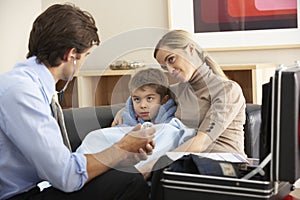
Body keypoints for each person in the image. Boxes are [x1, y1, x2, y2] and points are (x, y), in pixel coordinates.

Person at [0, 4, 155, 200]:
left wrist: (124, 156)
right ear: (71, 55)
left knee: (123, 173)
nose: (84, 63)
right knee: (129, 181)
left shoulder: (32, 86)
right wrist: (122, 148)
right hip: (18, 196)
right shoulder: (22, 92)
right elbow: (67, 176)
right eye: (86, 55)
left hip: (38, 186)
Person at [112, 30, 247, 199]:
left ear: (191, 49)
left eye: (171, 59)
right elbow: (145, 96)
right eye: (164, 66)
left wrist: (153, 165)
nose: (170, 70)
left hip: (226, 163)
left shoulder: (227, 90)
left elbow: (200, 142)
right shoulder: (177, 91)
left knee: (160, 170)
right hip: (188, 160)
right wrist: (124, 110)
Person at [77, 68, 193, 178]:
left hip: (149, 154)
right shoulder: (127, 116)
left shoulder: (170, 120)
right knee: (94, 136)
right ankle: (80, 169)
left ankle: (132, 171)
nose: (142, 105)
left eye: (149, 99)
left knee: (170, 132)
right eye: (137, 99)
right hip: (126, 146)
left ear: (163, 100)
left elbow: (173, 136)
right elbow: (121, 135)